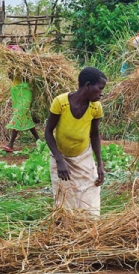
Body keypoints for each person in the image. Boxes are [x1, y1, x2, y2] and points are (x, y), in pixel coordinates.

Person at [45, 67, 106, 216]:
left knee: (90, 199)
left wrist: (99, 164)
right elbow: (48, 132)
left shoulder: (95, 107)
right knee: (64, 203)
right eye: (100, 88)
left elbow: (94, 134)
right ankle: (66, 232)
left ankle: (89, 230)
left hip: (83, 156)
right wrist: (59, 160)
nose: (101, 93)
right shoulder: (61, 102)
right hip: (61, 155)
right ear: (87, 86)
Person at [3, 44, 40, 152]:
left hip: (25, 93)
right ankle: (38, 140)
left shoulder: (27, 65)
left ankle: (10, 144)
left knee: (19, 114)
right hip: (16, 93)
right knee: (25, 116)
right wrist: (13, 68)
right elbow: (10, 76)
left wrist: (24, 66)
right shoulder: (12, 66)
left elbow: (31, 77)